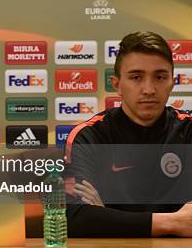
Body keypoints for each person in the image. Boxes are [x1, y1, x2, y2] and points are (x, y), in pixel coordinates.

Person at [65, 31, 192, 237]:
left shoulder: (189, 130)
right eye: (136, 77)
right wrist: (173, 222)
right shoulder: (89, 136)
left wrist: (105, 216)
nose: (149, 89)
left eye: (160, 77)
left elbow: (92, 219)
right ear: (117, 85)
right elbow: (75, 218)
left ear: (172, 82)